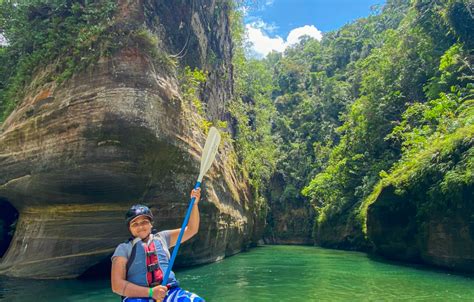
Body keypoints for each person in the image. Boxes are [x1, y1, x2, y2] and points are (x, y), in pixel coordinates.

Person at [111, 188, 205, 302]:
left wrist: (194, 204)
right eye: (134, 224)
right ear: (129, 229)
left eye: (144, 222)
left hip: (169, 292)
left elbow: (191, 229)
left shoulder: (163, 238)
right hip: (137, 296)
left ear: (151, 224)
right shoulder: (123, 249)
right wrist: (151, 292)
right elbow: (117, 286)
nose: (140, 227)